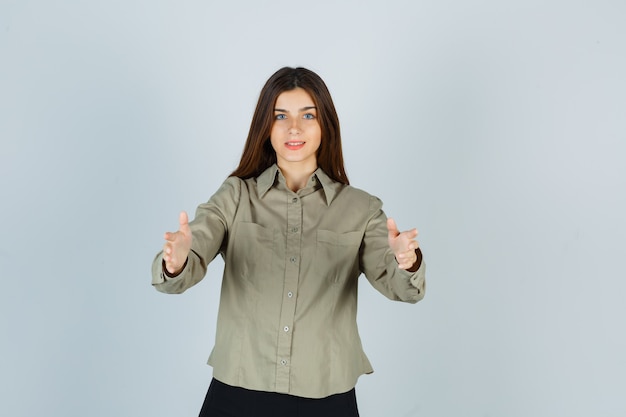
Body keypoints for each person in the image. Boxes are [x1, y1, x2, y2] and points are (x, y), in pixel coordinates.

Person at [151, 67, 426, 417]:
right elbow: (193, 251)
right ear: (266, 127)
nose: (293, 128)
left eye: (307, 115)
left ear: (325, 125)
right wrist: (175, 262)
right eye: (281, 116)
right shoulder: (235, 196)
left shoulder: (361, 208)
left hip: (326, 395)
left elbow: (403, 287)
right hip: (238, 390)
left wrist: (407, 262)